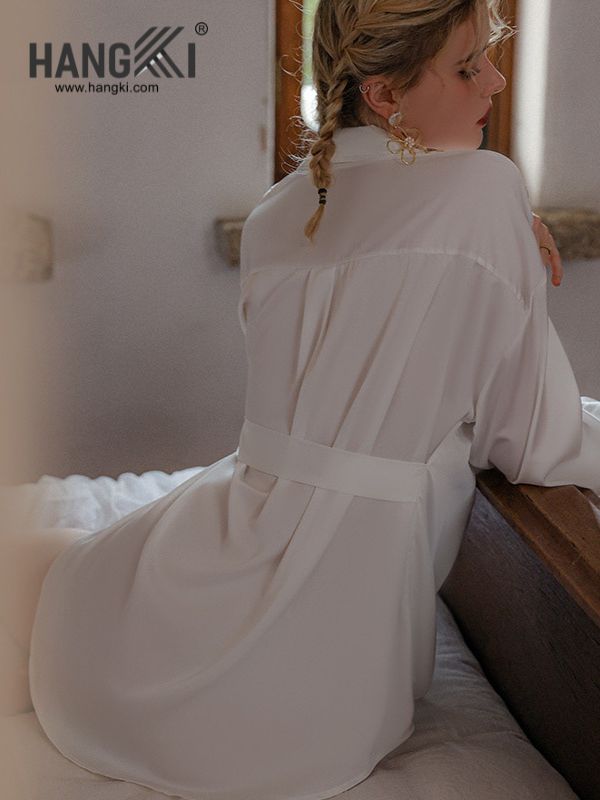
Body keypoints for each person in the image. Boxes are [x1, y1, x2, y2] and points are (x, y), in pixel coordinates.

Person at [3, 1, 599, 799]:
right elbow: (535, 442)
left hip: (237, 541)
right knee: (57, 581)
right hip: (332, 681)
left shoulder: (282, 209)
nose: (494, 81)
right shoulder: (488, 193)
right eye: (467, 67)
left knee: (65, 585)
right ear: (385, 95)